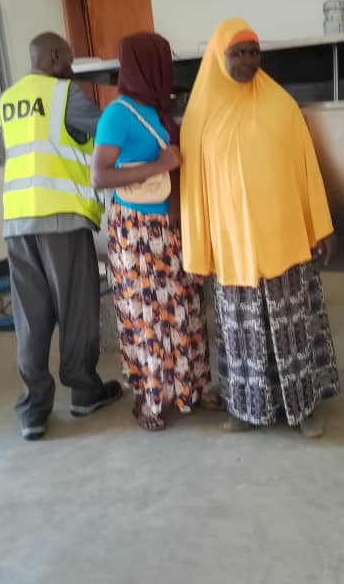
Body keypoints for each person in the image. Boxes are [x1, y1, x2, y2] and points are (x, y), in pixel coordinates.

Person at [180, 18, 340, 439]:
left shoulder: (280, 104)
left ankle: (302, 408)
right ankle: (246, 409)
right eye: (238, 53)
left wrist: (320, 226)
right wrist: (198, 253)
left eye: (254, 52)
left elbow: (307, 169)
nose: (248, 61)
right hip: (232, 247)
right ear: (219, 56)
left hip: (285, 242)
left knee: (291, 330)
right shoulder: (199, 116)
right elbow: (193, 193)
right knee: (240, 335)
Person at [0, 32, 122, 441]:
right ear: (52, 57)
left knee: (30, 316)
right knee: (77, 308)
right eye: (67, 58)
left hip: (17, 221)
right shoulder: (67, 96)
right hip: (62, 218)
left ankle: (33, 409)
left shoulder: (5, 101)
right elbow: (108, 138)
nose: (72, 67)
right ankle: (83, 390)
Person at [91, 33, 218, 431]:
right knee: (148, 317)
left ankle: (189, 389)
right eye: (163, 61)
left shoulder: (163, 111)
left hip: (172, 228)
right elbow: (100, 175)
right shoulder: (117, 114)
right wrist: (160, 164)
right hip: (138, 234)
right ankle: (149, 400)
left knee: (184, 311)